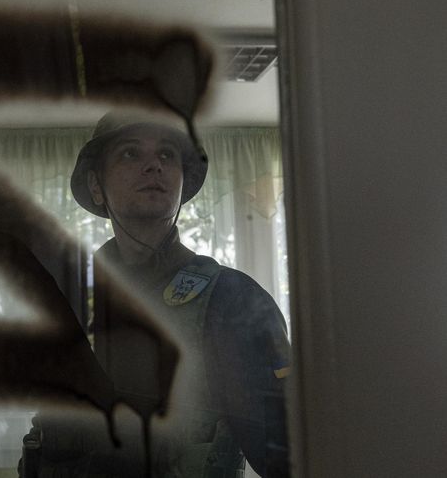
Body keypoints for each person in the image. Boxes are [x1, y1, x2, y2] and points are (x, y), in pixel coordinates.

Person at [22, 109, 290, 477]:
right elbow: (45, 439)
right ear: (96, 186)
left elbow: (288, 456)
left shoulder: (232, 300)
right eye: (130, 153)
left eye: (167, 154)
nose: (154, 166)